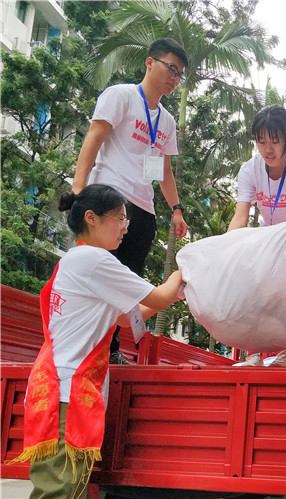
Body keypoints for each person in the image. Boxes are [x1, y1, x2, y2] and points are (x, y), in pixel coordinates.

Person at [9, 184, 183, 499]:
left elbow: (122, 318)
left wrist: (172, 290)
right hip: (67, 394)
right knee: (58, 491)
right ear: (92, 218)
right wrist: (183, 272)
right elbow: (160, 296)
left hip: (65, 390)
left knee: (68, 489)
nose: (126, 228)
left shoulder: (77, 260)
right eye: (119, 219)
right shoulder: (94, 261)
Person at [72, 38, 189, 365]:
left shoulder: (165, 121)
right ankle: (79, 348)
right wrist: (79, 192)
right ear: (150, 63)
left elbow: (164, 170)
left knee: (126, 286)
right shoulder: (121, 95)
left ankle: (108, 352)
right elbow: (94, 138)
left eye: (179, 75)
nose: (174, 78)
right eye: (171, 68)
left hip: (143, 211)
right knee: (95, 277)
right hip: (109, 198)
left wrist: (176, 210)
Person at [228, 104, 286, 367]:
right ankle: (253, 352)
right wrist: (226, 249)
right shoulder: (249, 170)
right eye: (261, 141)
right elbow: (240, 217)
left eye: (274, 140)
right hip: (267, 239)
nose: (267, 148)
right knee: (255, 289)